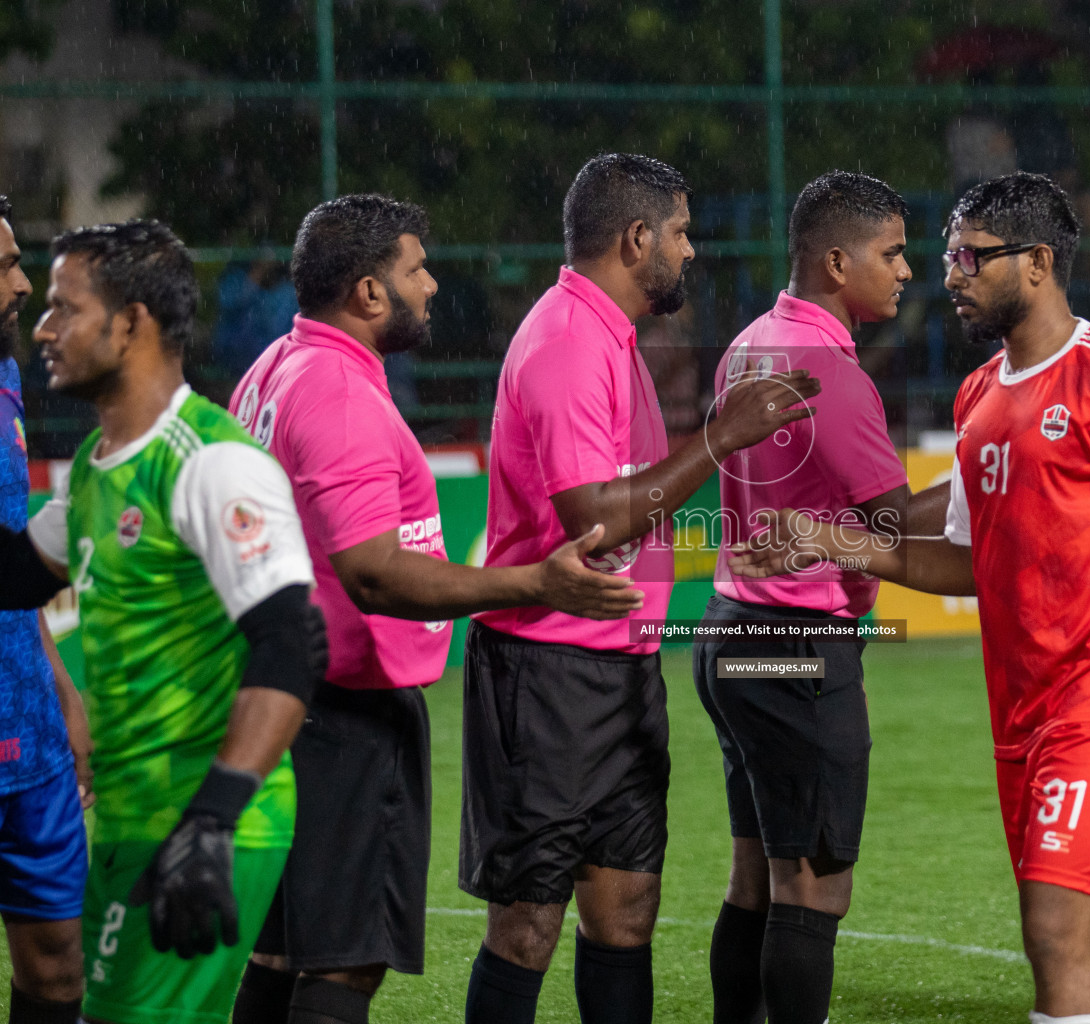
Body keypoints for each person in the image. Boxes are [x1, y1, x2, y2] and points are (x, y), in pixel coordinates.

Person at [729, 171, 1090, 1024]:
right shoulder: (978, 397)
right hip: (1023, 714)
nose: (949, 274)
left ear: (1038, 262)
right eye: (946, 255)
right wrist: (831, 540)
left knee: (1052, 932)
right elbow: (967, 564)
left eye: (971, 256)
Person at [227, 194, 644, 1024]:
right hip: (345, 712)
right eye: (416, 269)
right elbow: (378, 576)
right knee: (343, 965)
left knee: (281, 950)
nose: (433, 286)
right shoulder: (339, 393)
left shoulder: (276, 365)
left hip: (289, 697)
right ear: (369, 292)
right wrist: (534, 583)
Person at [460, 152, 818, 1024]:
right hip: (544, 675)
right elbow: (596, 518)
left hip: (620, 670)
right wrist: (720, 439)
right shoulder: (566, 341)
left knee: (624, 915)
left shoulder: (610, 337)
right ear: (635, 237)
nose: (691, 250)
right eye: (682, 231)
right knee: (527, 927)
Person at [0, 219, 326, 1024]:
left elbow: (292, 646)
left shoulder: (210, 462)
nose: (43, 327)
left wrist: (213, 820)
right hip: (132, 816)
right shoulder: (101, 471)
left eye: (65, 309)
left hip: (201, 825)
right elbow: (10, 576)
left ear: (133, 321)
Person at [693, 170, 948, 1024]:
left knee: (758, 876)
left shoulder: (749, 344)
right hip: (799, 647)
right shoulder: (830, 371)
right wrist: (994, 467)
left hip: (731, 634)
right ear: (838, 262)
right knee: (816, 888)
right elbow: (898, 525)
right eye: (893, 253)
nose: (906, 270)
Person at [0, 194, 94, 1024]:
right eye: (4, 268)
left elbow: (11, 563)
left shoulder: (4, 374)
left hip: (28, 735)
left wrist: (59, 685)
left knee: (60, 967)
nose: (22, 286)